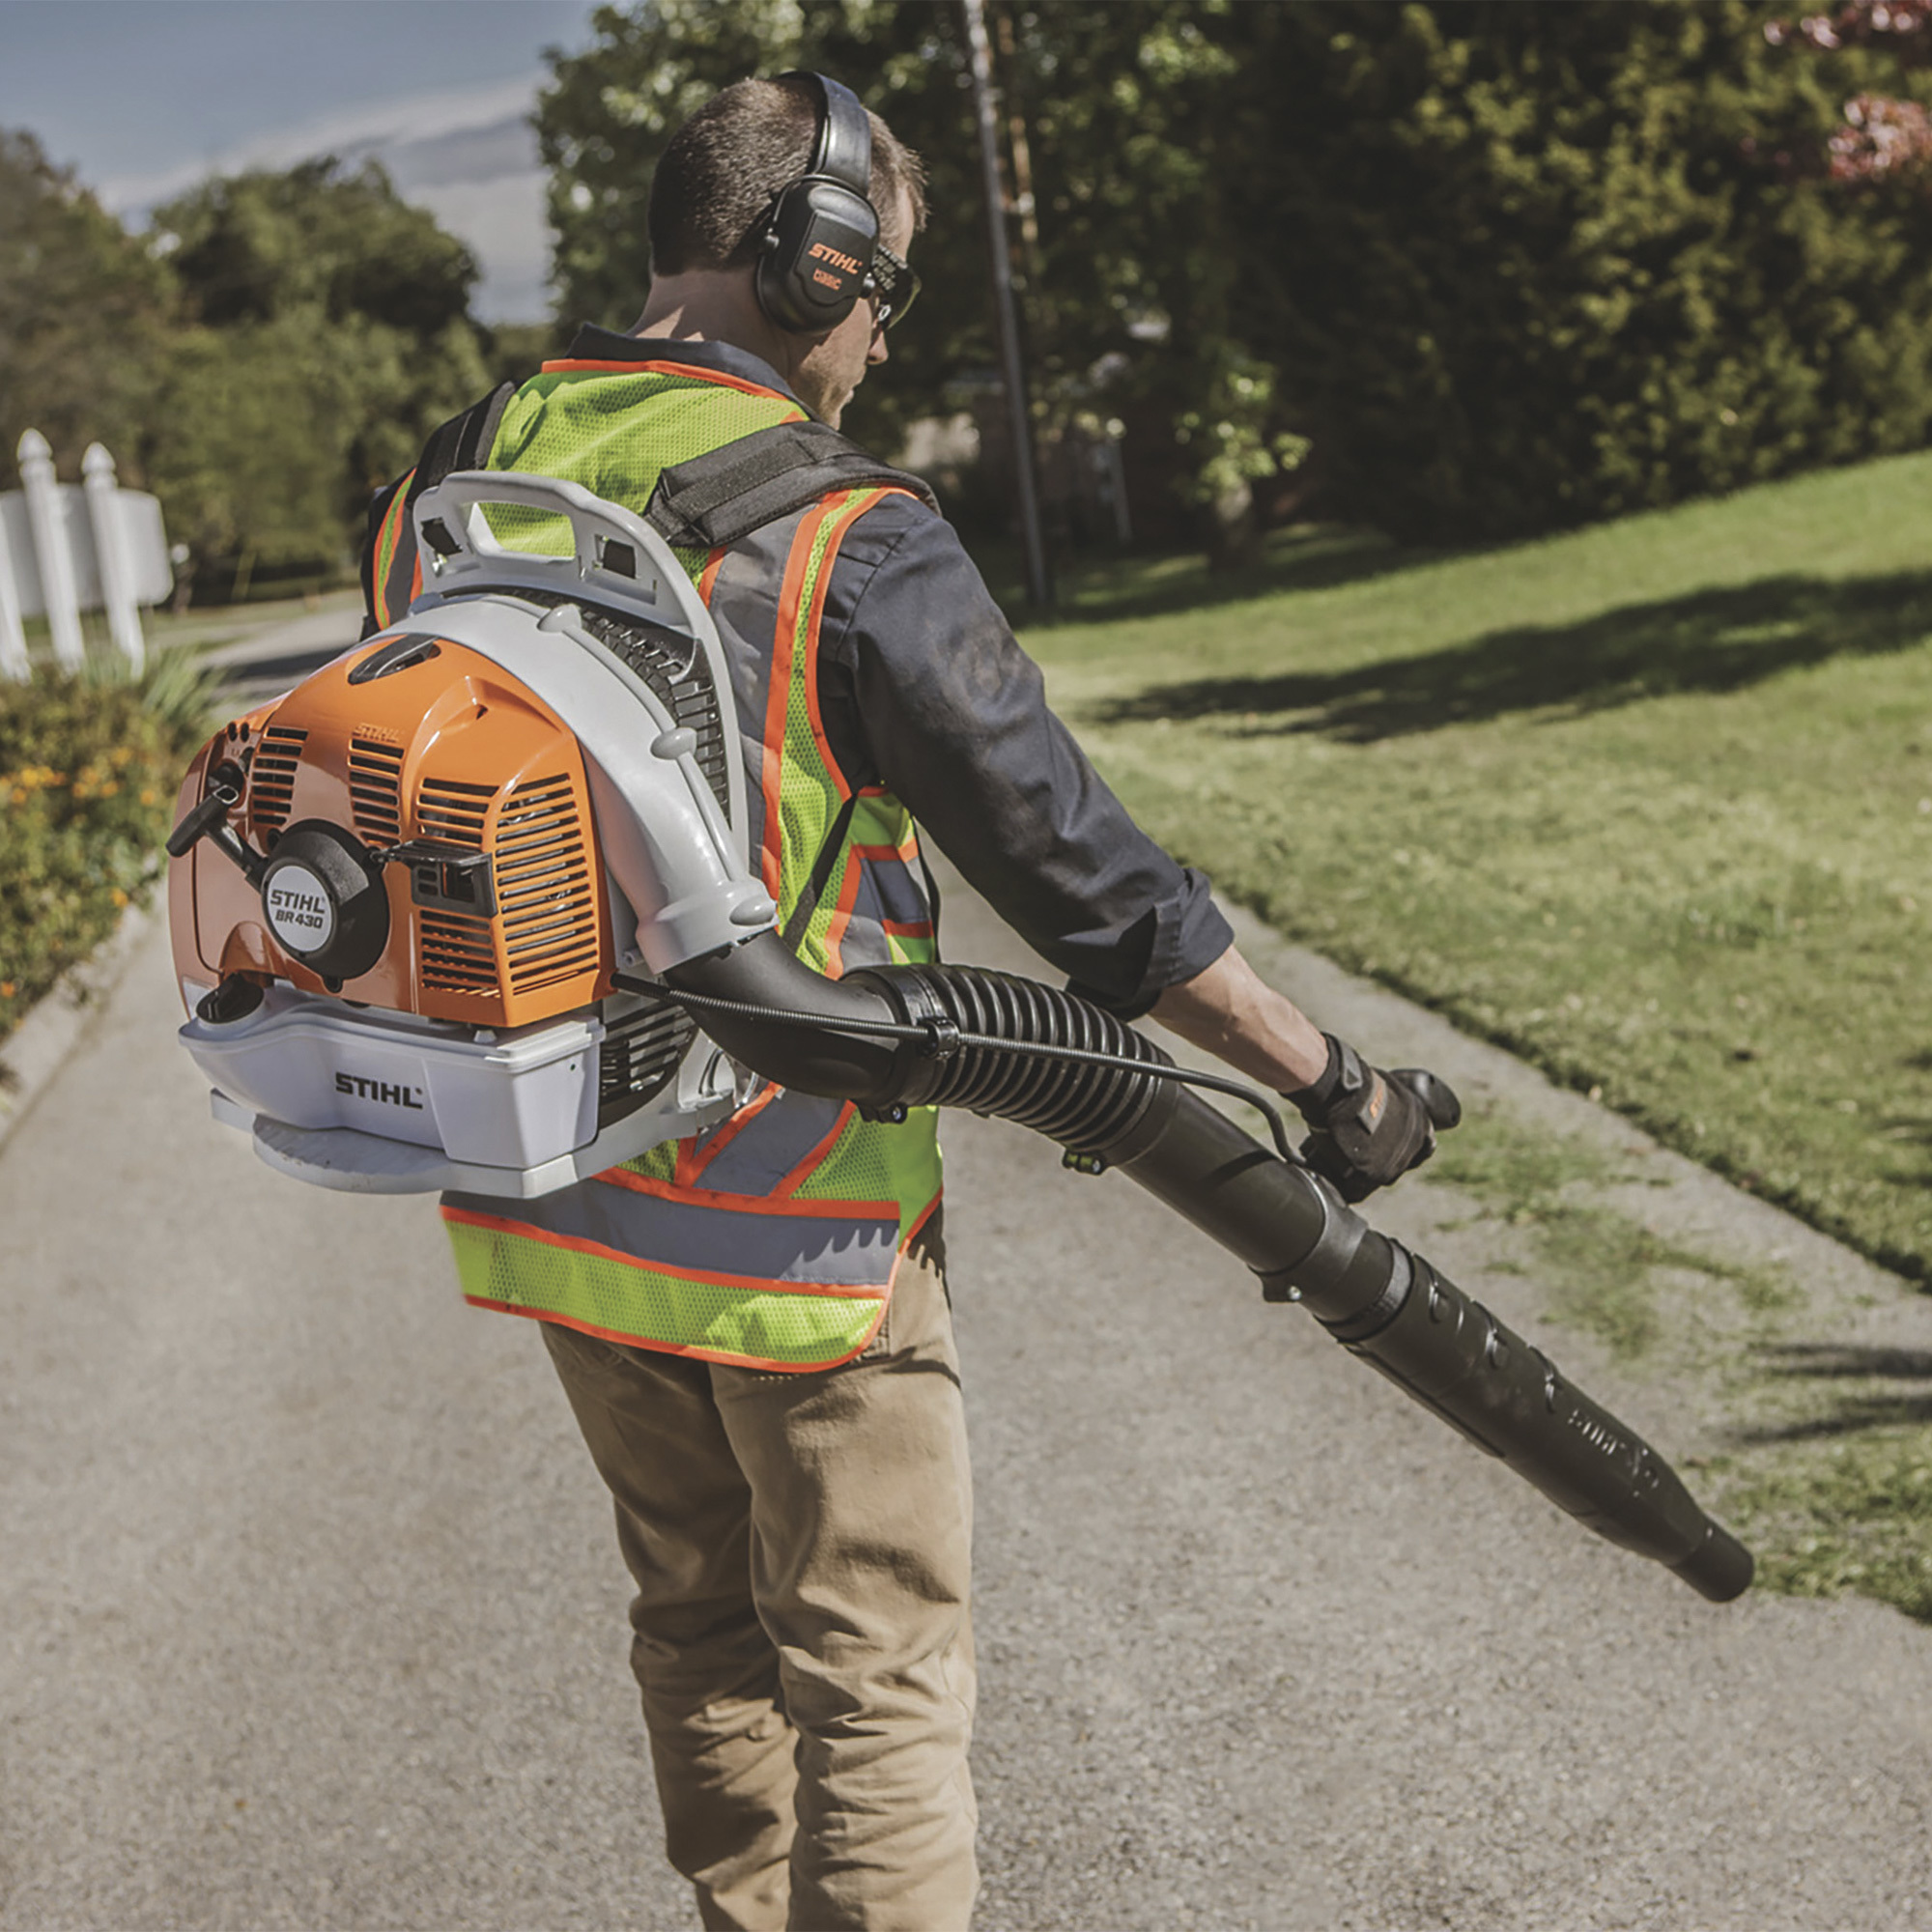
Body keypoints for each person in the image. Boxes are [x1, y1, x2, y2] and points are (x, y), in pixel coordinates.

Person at [362, 72, 1446, 1932]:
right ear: (814, 258)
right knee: (877, 1670)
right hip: (795, 1223)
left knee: (698, 1623)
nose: (881, 329)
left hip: (552, 1193)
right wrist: (1329, 1078)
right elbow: (1085, 879)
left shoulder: (450, 480)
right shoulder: (845, 530)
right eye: (891, 285)